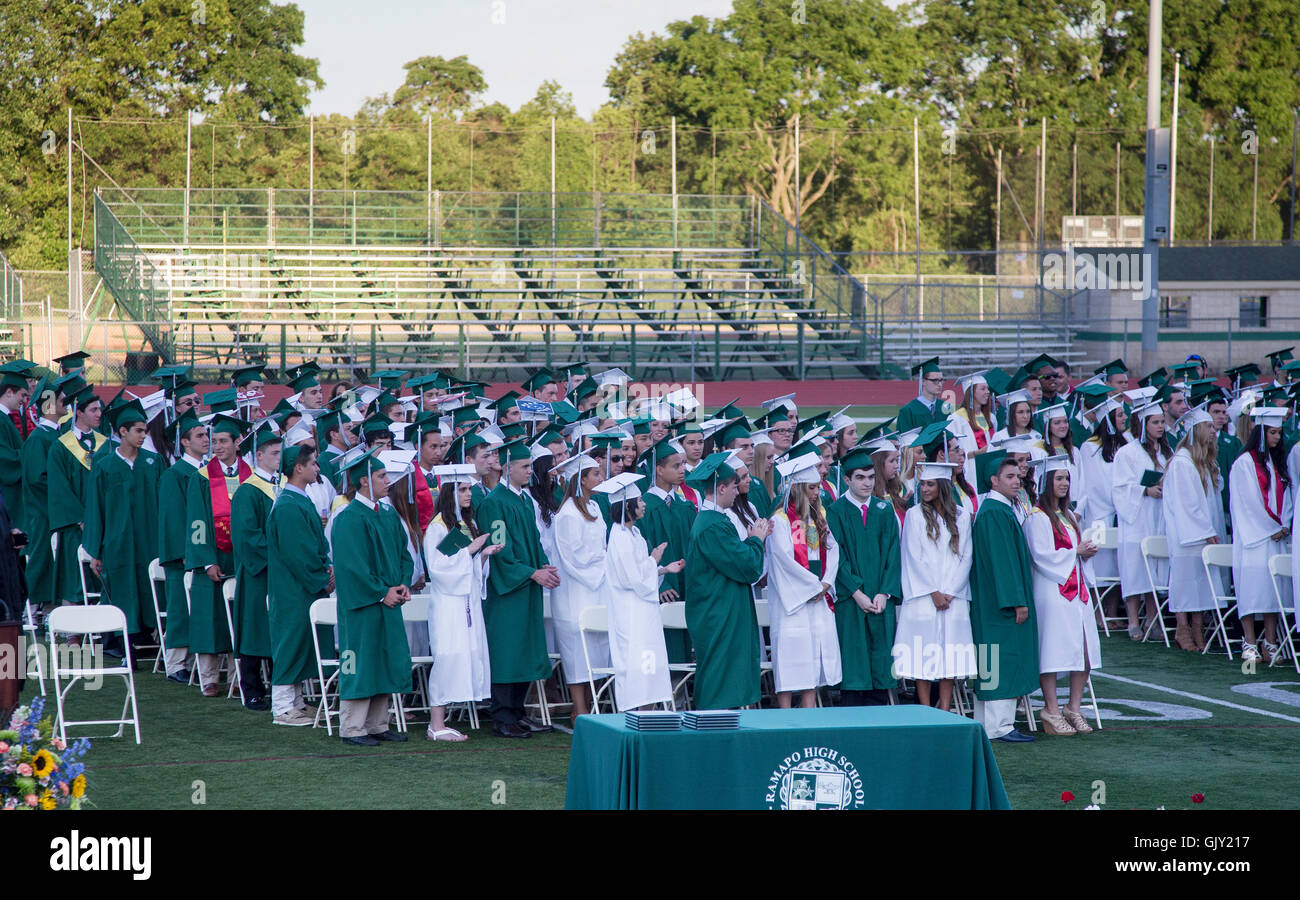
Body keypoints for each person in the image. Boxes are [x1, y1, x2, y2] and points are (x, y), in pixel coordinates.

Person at [330, 449, 414, 746]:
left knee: (383, 659)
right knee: (361, 661)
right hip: (363, 607)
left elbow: (404, 555)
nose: (388, 481)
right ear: (364, 481)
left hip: (389, 602)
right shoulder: (349, 518)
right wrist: (382, 592)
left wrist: (402, 584)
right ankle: (352, 727)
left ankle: (378, 724)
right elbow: (352, 567)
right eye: (381, 476)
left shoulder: (388, 515)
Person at [475, 439, 557, 738]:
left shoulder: (523, 500)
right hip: (507, 591)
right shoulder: (495, 503)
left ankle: (518, 713)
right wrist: (530, 572)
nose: (530, 473)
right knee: (507, 650)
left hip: (527, 586)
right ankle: (502, 717)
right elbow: (499, 550)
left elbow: (534, 541)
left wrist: (543, 565)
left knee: (525, 649)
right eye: (524, 467)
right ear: (506, 468)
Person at [684, 453, 770, 709]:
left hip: (722, 608)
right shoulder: (712, 524)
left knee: (726, 671)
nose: (737, 492)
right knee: (719, 674)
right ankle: (713, 727)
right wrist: (757, 538)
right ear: (721, 488)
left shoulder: (714, 520)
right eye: (733, 486)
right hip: (718, 611)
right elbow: (748, 565)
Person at [423, 464, 502, 741]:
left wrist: (483, 555)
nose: (468, 495)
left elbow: (468, 566)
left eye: (469, 489)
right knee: (447, 657)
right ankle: (436, 723)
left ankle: (444, 720)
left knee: (465, 653)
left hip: (466, 602)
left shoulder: (464, 525)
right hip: (448, 604)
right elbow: (439, 569)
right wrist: (471, 549)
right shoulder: (438, 528)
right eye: (462, 490)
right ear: (449, 493)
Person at [81, 399, 163, 659]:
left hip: (149, 540)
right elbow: (95, 510)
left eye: (145, 431)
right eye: (138, 430)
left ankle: (145, 636)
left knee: (146, 587)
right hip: (116, 543)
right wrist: (95, 550)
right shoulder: (104, 466)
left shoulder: (154, 462)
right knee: (122, 587)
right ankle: (118, 640)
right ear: (122, 432)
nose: (143, 435)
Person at [1024, 457, 1100, 736]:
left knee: (1084, 650)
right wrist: (1075, 553)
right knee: (1053, 651)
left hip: (1077, 591)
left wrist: (1085, 553)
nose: (1064, 484)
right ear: (1046, 483)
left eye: (1066, 479)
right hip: (1052, 591)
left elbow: (1074, 554)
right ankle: (1051, 709)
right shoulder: (1037, 517)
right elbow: (1040, 555)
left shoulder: (1068, 517)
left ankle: (1074, 707)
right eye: (1058, 479)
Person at [969, 451, 1038, 743]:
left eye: (1018, 476)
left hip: (990, 602)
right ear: (993, 480)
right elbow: (1003, 562)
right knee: (1003, 659)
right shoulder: (996, 513)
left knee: (991, 659)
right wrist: (1016, 600)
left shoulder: (993, 510)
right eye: (1009, 477)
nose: (1017, 481)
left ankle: (987, 723)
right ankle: (1000, 726)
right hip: (1002, 604)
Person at [895, 460, 974, 713]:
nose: (924, 489)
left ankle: (946, 708)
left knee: (950, 652)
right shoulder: (915, 515)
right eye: (922, 484)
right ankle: (926, 708)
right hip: (924, 596)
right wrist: (934, 591)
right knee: (922, 651)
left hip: (954, 595)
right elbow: (913, 556)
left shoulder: (961, 516)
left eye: (930, 484)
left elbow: (966, 556)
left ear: (942, 485)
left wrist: (950, 591)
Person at [825, 445, 902, 706]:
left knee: (880, 658)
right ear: (847, 479)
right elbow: (838, 558)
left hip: (881, 599)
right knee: (854, 661)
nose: (867, 483)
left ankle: (880, 720)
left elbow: (894, 554)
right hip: (852, 600)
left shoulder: (884, 509)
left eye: (870, 477)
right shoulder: (835, 512)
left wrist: (884, 592)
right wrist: (856, 593)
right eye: (860, 477)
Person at [598, 472, 680, 711]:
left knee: (649, 658)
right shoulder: (619, 537)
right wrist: (654, 560)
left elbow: (640, 574)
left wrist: (663, 569)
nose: (644, 504)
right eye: (640, 501)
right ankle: (638, 709)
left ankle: (650, 707)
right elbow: (630, 578)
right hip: (631, 612)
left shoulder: (634, 534)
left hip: (643, 609)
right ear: (627, 506)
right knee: (638, 660)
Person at [765, 453, 841, 709]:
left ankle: (810, 713)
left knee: (811, 662)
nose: (817, 492)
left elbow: (833, 548)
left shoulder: (819, 515)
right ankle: (785, 714)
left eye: (818, 487)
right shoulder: (781, 520)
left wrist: (827, 583)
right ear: (797, 488)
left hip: (817, 594)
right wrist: (813, 586)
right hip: (793, 602)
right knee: (789, 661)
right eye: (812, 487)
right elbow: (783, 561)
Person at [266, 444, 334, 726]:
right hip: (292, 589)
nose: (318, 469)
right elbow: (298, 554)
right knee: (290, 643)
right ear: (298, 467)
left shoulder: (298, 499)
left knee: (302, 642)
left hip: (300, 587)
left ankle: (296, 702)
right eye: (314, 464)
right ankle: (282, 707)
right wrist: (322, 577)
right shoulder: (288, 506)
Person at [184, 415, 248, 696]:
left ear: (237, 442)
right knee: (210, 616)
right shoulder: (201, 477)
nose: (216, 446)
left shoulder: (251, 475)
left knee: (240, 615)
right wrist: (207, 559)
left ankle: (237, 675)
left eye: (223, 441)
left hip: (242, 557)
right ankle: (209, 676)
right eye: (214, 441)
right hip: (213, 556)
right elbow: (196, 523)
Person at [550, 450, 610, 719]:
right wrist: (605, 560)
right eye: (595, 473)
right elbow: (573, 557)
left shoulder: (595, 507)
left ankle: (592, 702)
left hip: (598, 586)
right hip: (575, 590)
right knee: (577, 650)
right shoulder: (567, 514)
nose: (601, 477)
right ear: (581, 479)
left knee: (597, 647)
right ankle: (580, 708)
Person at [1230, 408, 1293, 662]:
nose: (1277, 437)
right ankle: (1249, 642)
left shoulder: (1276, 462)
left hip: (1275, 537)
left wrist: (1285, 525)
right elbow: (1246, 502)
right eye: (1272, 432)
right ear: (1261, 432)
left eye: (1279, 432)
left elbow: (1287, 498)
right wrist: (1271, 528)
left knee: (1272, 591)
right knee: (1252, 590)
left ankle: (1270, 642)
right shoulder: (1244, 463)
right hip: (1254, 538)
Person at [1164, 409, 1228, 652]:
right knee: (1184, 580)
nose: (1213, 431)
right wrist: (1205, 529)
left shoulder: (1203, 461)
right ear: (1197, 431)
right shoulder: (1181, 462)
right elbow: (1187, 502)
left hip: (1203, 529)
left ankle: (1198, 627)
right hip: (1186, 533)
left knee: (1201, 580)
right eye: (1209, 427)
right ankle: (1182, 628)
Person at [228, 427, 282, 710]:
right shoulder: (248, 491)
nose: (278, 458)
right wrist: (281, 557)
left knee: (277, 628)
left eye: (280, 453)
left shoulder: (284, 485)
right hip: (259, 572)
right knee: (253, 630)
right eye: (273, 453)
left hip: (282, 573)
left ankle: (280, 684)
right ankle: (252, 688)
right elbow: (247, 536)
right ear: (258, 455)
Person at [155, 410, 208, 684]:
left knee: (201, 609)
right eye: (199, 435)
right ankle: (176, 662)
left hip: (206, 554)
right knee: (179, 608)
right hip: (184, 557)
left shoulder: (209, 472)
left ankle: (200, 660)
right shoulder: (175, 475)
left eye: (206, 434)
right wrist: (185, 553)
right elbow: (174, 519)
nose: (206, 439)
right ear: (185, 442)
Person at [1112, 402, 1170, 640]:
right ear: (1143, 425)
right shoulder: (1127, 453)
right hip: (1137, 518)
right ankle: (1134, 621)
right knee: (1135, 569)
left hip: (1159, 516)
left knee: (1156, 569)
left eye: (1162, 422)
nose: (1160, 426)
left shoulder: (1166, 452)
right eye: (1154, 422)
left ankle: (1153, 619)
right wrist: (1145, 491)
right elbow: (1119, 487)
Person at [47, 384, 105, 606]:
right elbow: (59, 488)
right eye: (93, 410)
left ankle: (104, 627)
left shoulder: (105, 445)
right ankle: (73, 634)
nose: (99, 414)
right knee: (74, 579)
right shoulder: (61, 447)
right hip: (75, 527)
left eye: (100, 410)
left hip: (101, 525)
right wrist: (82, 518)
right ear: (78, 412)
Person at [19, 377, 61, 609]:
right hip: (41, 511)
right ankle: (31, 607)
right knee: (41, 557)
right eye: (61, 400)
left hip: (52, 511)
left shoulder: (54, 436)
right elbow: (38, 478)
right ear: (49, 406)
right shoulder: (39, 439)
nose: (67, 403)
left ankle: (46, 607)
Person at [897, 357, 947, 431]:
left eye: (941, 380)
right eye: (935, 380)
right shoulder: (908, 410)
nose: (939, 384)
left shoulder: (946, 407)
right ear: (923, 381)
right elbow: (904, 438)